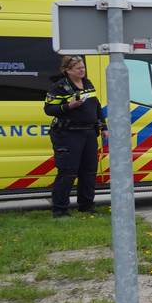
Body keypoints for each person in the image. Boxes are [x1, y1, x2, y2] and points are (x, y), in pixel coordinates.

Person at [43, 55, 105, 218]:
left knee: (89, 170)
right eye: (78, 68)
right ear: (67, 70)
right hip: (68, 134)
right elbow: (49, 109)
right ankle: (60, 210)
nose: (82, 70)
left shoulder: (88, 83)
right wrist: (69, 106)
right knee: (68, 171)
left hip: (89, 133)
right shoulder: (59, 87)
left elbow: (96, 106)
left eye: (83, 67)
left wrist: (103, 126)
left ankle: (86, 206)